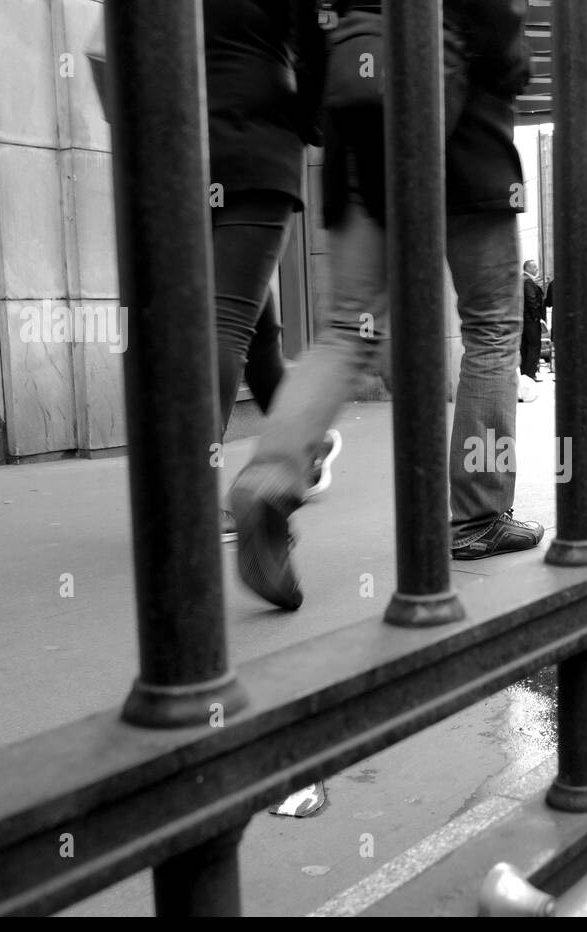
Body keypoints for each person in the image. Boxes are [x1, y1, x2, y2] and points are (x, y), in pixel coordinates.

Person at [228, 0, 544, 610]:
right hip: (466, 131)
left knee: (348, 329)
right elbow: (499, 24)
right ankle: (477, 514)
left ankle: (270, 477)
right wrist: (508, 67)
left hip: (362, 125)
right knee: (493, 329)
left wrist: (329, 104)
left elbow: (310, 32)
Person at [203, 0, 342, 540]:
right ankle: (197, 493)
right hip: (257, 141)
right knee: (231, 323)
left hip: (184, 148)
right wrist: (308, 121)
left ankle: (303, 445)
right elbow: (315, 50)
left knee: (250, 329)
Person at [521, 260, 545, 382]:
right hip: (530, 321)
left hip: (524, 320)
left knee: (525, 347)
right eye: (534, 267)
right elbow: (531, 300)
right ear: (528, 268)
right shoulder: (528, 281)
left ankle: (525, 374)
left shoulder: (523, 279)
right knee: (534, 346)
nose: (537, 269)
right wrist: (537, 317)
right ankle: (530, 374)